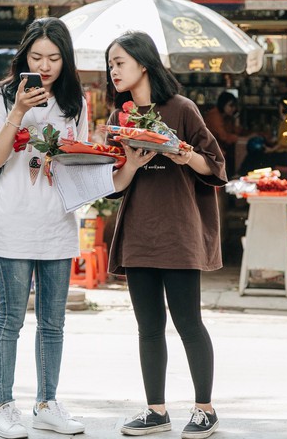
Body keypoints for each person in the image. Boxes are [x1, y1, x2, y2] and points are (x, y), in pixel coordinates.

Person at [106, 31, 227, 438]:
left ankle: (204, 409)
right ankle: (156, 411)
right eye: (111, 64)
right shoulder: (117, 117)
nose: (114, 70)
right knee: (148, 327)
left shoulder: (181, 109)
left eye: (119, 62)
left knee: (189, 322)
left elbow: (215, 167)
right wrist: (135, 163)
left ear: (143, 63)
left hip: (178, 231)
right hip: (139, 233)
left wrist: (181, 152)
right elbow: (115, 185)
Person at [0, 17, 95, 439]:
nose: (45, 66)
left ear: (66, 60)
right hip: (14, 222)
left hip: (59, 223)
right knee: (10, 319)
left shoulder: (74, 102)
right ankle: (3, 407)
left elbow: (79, 161)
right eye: (36, 57)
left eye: (54, 57)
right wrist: (19, 112)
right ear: (24, 57)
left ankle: (47, 403)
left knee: (53, 323)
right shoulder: (1, 97)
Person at [203, 91, 240, 177]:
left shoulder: (226, 116)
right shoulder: (214, 115)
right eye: (231, 106)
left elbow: (234, 131)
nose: (233, 109)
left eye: (234, 106)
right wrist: (236, 138)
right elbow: (224, 137)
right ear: (223, 104)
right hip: (209, 148)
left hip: (219, 147)